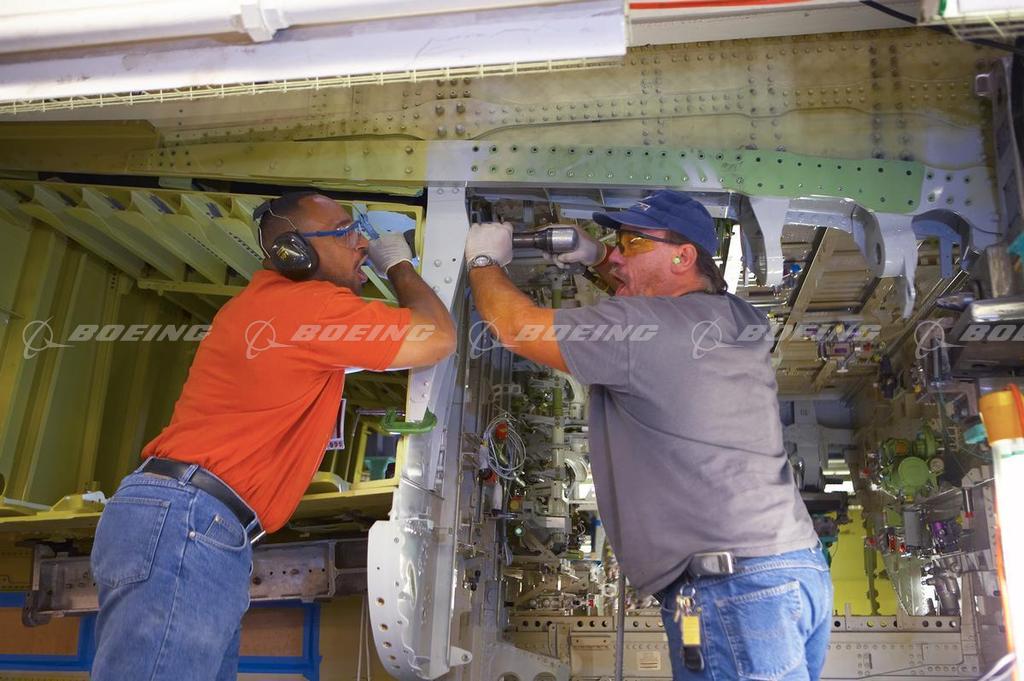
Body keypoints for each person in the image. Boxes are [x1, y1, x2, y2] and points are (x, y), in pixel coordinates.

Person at [464, 189, 832, 680]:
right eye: (618, 243)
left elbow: (515, 327)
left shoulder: (641, 327)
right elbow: (657, 294)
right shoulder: (739, 317)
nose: (618, 255)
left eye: (633, 243)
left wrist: (483, 260)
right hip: (788, 572)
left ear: (684, 256)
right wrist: (598, 255)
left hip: (732, 588)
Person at [90, 191, 455, 681]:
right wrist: (399, 267)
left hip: (190, 521)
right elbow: (437, 337)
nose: (362, 243)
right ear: (294, 251)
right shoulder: (308, 308)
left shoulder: (269, 310)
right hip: (191, 523)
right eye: (345, 232)